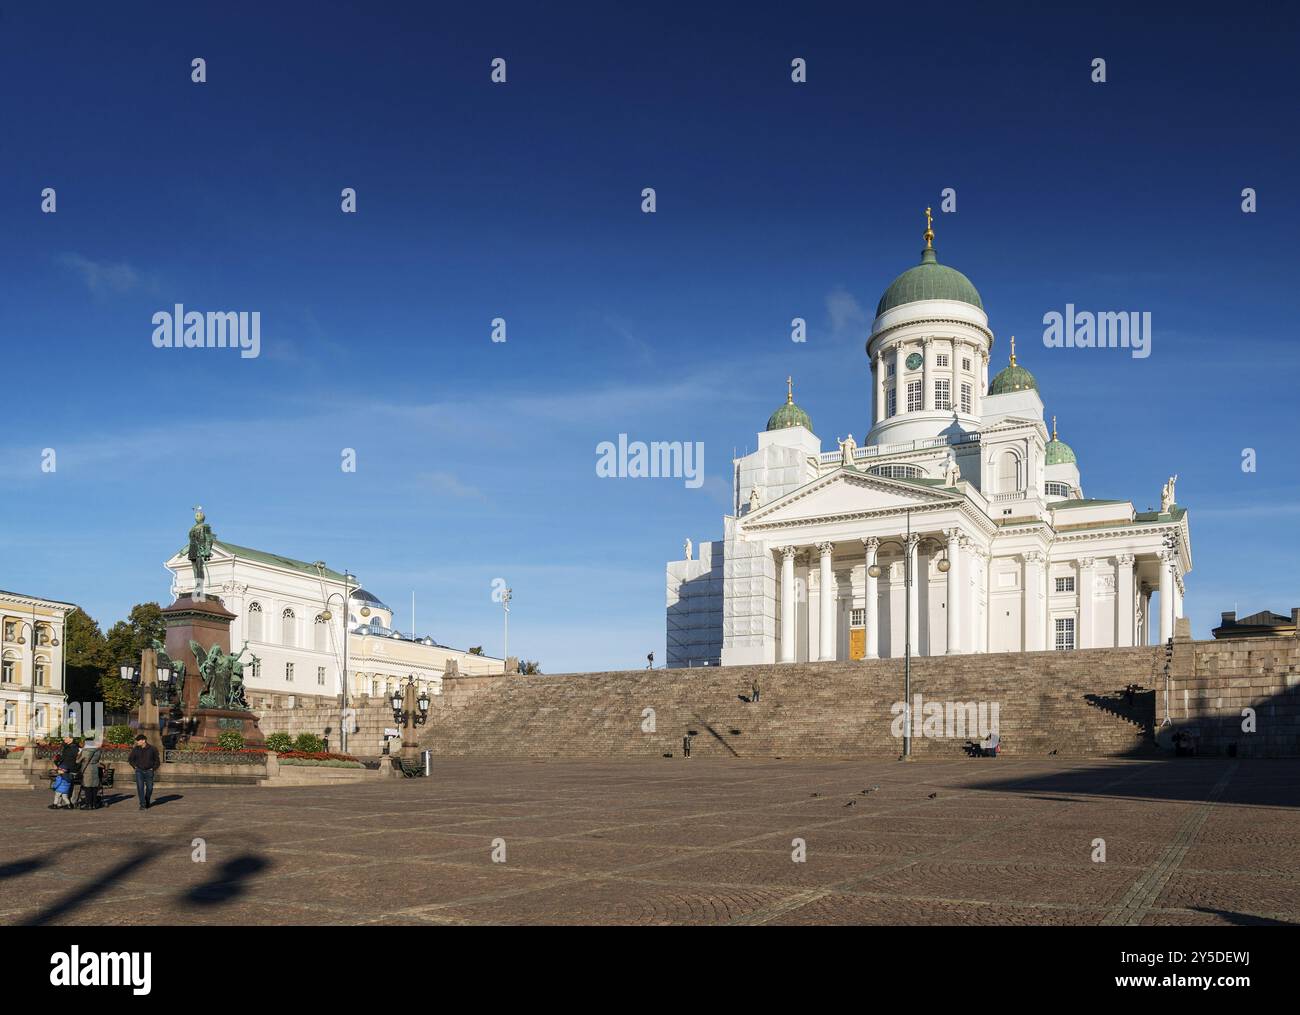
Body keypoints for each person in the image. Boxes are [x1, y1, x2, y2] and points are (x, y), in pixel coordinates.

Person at [127, 734, 161, 809]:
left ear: (143, 741)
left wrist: (153, 768)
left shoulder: (152, 749)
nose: (137, 742)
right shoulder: (136, 749)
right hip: (139, 771)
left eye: (138, 741)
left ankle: (147, 800)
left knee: (150, 788)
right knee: (140, 787)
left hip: (149, 771)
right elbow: (130, 759)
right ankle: (142, 804)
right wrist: (135, 766)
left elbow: (157, 761)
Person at [48, 735, 79, 810]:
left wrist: (64, 767)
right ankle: (59, 803)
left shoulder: (73, 747)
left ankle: (71, 803)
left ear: (71, 739)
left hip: (69, 769)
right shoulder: (67, 747)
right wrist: (58, 762)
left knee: (70, 786)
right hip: (64, 768)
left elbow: (72, 759)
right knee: (63, 785)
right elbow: (64, 758)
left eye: (66, 737)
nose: (64, 739)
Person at [78, 742, 103, 810]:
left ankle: (88, 804)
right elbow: (97, 760)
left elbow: (78, 760)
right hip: (95, 768)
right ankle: (94, 804)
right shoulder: (98, 751)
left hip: (87, 769)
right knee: (94, 787)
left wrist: (80, 752)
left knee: (87, 787)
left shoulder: (85, 751)